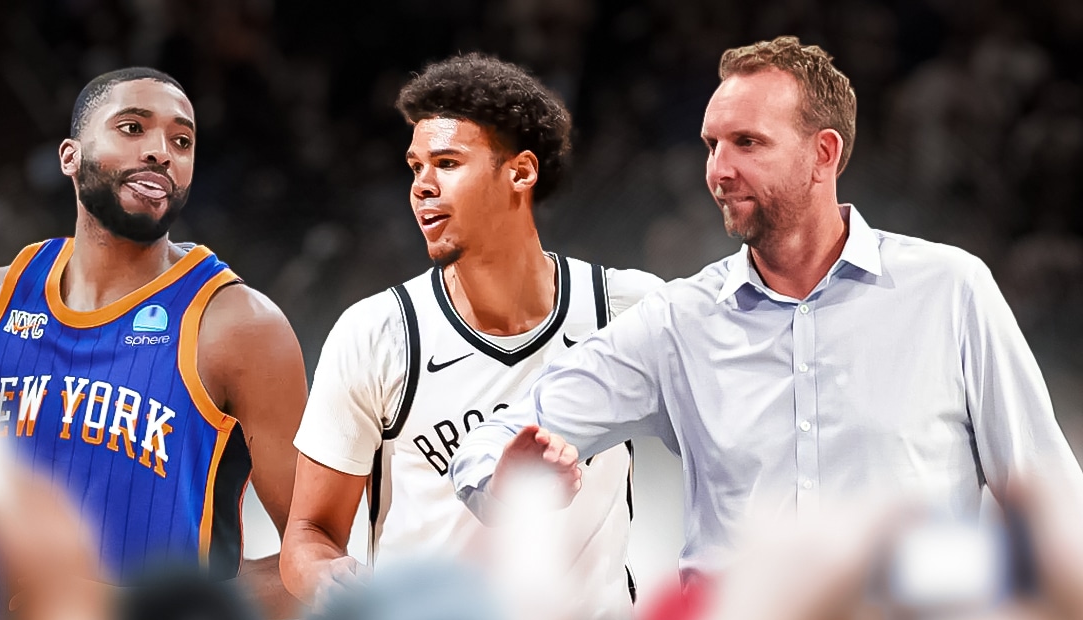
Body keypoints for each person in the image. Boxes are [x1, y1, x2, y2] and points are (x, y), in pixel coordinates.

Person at [449, 36, 1083, 590]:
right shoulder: (677, 321)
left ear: (825, 154)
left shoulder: (950, 290)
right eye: (711, 144)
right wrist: (510, 478)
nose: (719, 170)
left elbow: (1051, 502)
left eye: (747, 143)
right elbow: (488, 443)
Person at [0, 67, 307, 620]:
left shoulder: (239, 327)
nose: (161, 151)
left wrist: (128, 612)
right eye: (132, 128)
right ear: (70, 156)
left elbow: (321, 570)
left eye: (182, 141)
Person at [279, 53, 663, 620]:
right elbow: (309, 533)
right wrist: (328, 579)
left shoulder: (627, 309)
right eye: (415, 167)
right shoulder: (377, 331)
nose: (421, 186)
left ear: (521, 172)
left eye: (448, 163)